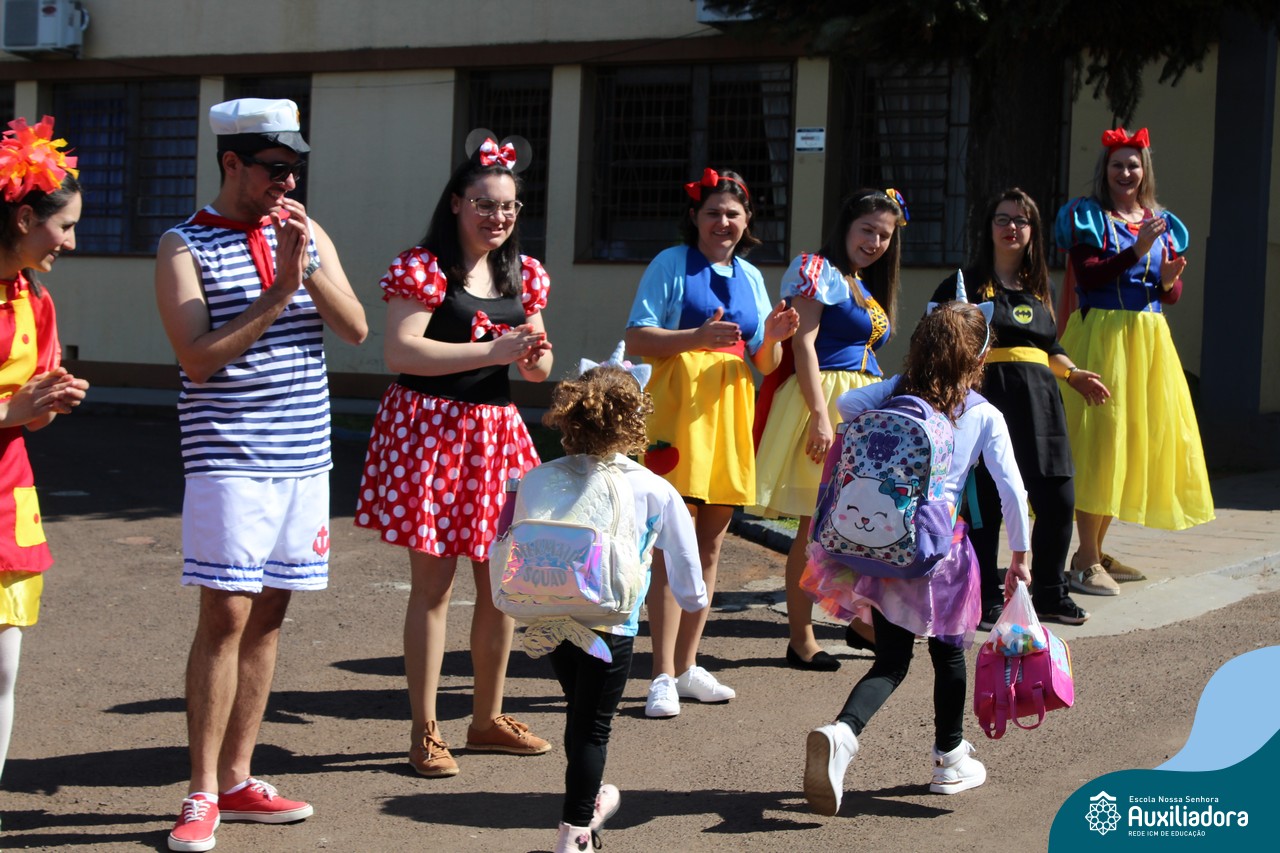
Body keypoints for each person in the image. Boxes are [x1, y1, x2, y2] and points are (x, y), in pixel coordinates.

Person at [155, 98, 368, 853]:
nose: (288, 182)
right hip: (230, 458)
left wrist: (304, 266)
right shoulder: (182, 244)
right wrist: (278, 293)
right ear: (231, 162)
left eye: (295, 168)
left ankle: (239, 778)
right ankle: (201, 790)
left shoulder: (306, 232)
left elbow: (356, 328)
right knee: (226, 615)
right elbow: (196, 358)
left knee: (270, 614)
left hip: (304, 456)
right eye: (275, 167)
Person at [354, 131, 554, 779]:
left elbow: (538, 364)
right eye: (484, 203)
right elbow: (402, 351)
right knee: (433, 588)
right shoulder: (423, 265)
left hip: (496, 435)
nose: (498, 216)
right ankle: (425, 730)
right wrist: (492, 350)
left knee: (501, 587)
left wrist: (531, 354)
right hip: (431, 433)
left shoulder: (523, 272)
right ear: (456, 203)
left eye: (508, 206)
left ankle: (486, 720)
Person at [801, 300, 1031, 816]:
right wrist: (1020, 554)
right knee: (949, 656)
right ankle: (949, 759)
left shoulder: (893, 393)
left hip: (888, 547)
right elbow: (1012, 490)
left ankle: (842, 733)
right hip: (941, 554)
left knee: (891, 662)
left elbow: (847, 405)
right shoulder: (983, 413)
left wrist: (901, 388)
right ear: (979, 358)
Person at [624, 167, 798, 718]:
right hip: (679, 412)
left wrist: (774, 339)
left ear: (747, 221)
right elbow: (637, 335)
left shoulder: (752, 275)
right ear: (695, 217)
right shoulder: (670, 263)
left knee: (710, 544)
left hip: (730, 412)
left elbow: (763, 362)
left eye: (733, 214)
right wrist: (696, 337)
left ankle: (687, 665)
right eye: (713, 213)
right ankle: (659, 674)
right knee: (668, 542)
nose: (723, 222)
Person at [537, 354, 707, 853]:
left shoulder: (543, 475)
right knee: (594, 726)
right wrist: (695, 599)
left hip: (551, 613)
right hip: (613, 622)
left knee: (579, 714)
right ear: (635, 421)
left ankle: (585, 803)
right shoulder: (653, 487)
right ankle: (576, 833)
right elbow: (687, 570)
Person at [932, 188, 1107, 628]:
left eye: (1021, 220)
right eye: (1003, 219)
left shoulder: (1041, 286)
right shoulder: (962, 283)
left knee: (1058, 499)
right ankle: (984, 598)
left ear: (1033, 231)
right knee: (988, 502)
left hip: (1042, 405)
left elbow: (1050, 347)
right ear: (988, 227)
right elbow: (938, 339)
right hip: (988, 400)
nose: (1012, 227)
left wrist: (1074, 374)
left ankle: (1050, 592)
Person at [1054, 127, 1214, 596]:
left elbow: (1170, 294)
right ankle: (1084, 559)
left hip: (1147, 341)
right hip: (1103, 336)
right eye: (1117, 164)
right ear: (1104, 170)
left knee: (1127, 444)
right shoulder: (1089, 216)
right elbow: (1089, 276)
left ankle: (1094, 551)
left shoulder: (1162, 221)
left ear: (1145, 171)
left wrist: (1168, 280)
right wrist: (1137, 250)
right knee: (1100, 443)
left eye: (1133, 164)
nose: (1125, 172)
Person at [753, 189, 906, 670]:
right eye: (867, 230)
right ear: (846, 226)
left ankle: (860, 622)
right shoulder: (816, 270)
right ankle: (801, 638)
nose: (875, 242)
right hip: (824, 399)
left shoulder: (861, 283)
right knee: (814, 526)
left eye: (884, 235)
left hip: (861, 407)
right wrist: (821, 416)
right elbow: (803, 344)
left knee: (858, 522)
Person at [0, 115, 90, 817]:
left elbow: (32, 417)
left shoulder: (37, 298)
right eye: (64, 226)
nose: (71, 242)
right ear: (25, 217)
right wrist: (12, 409)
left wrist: (48, 404)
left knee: (2, 670)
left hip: (7, 499)